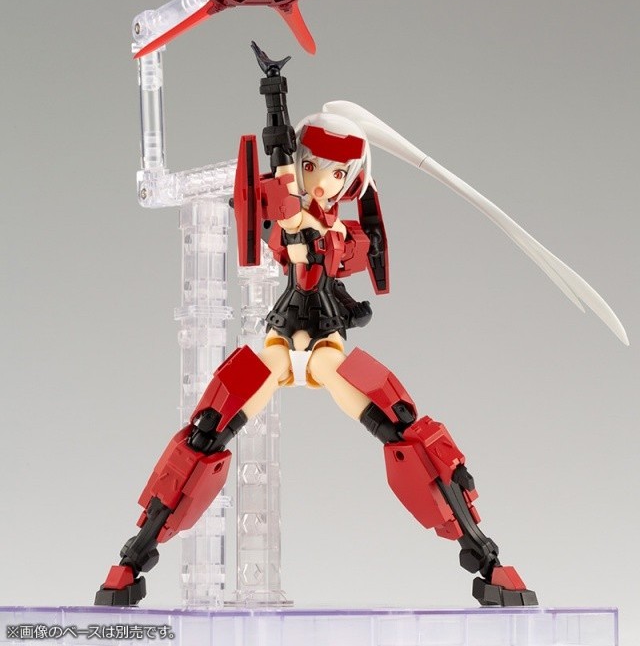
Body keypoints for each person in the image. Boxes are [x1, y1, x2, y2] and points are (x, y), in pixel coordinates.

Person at [95, 44, 626, 608]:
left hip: (326, 344)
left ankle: (487, 559)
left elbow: (343, 247)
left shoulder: (344, 234)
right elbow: (277, 211)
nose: (320, 181)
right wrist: (274, 99)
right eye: (310, 167)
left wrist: (320, 232)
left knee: (407, 427)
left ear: (350, 179)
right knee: (207, 426)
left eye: (335, 173)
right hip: (281, 340)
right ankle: (131, 562)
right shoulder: (285, 210)